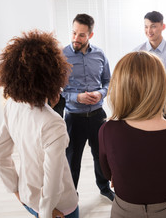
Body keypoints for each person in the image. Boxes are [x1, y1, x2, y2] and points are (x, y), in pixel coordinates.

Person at [99, 51, 166, 218]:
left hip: (124, 211)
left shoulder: (108, 130)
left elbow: (109, 174)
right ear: (162, 86)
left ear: (121, 88)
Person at [0, 30, 79, 218]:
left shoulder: (12, 105)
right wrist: (47, 213)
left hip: (28, 198)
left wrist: (17, 192)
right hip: (60, 208)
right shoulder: (53, 122)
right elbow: (52, 182)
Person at [62, 13, 114, 201]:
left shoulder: (100, 55)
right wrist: (77, 97)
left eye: (81, 35)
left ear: (90, 35)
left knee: (101, 156)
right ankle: (71, 194)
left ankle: (104, 188)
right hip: (73, 118)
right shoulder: (61, 55)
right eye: (74, 33)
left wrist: (100, 93)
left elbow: (108, 81)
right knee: (72, 159)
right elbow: (58, 89)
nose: (76, 38)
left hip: (97, 116)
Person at [133, 11, 166, 123]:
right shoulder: (136, 52)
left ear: (163, 26)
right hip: (142, 105)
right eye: (146, 26)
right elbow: (134, 82)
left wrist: (148, 85)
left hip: (164, 106)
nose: (149, 31)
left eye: (153, 26)